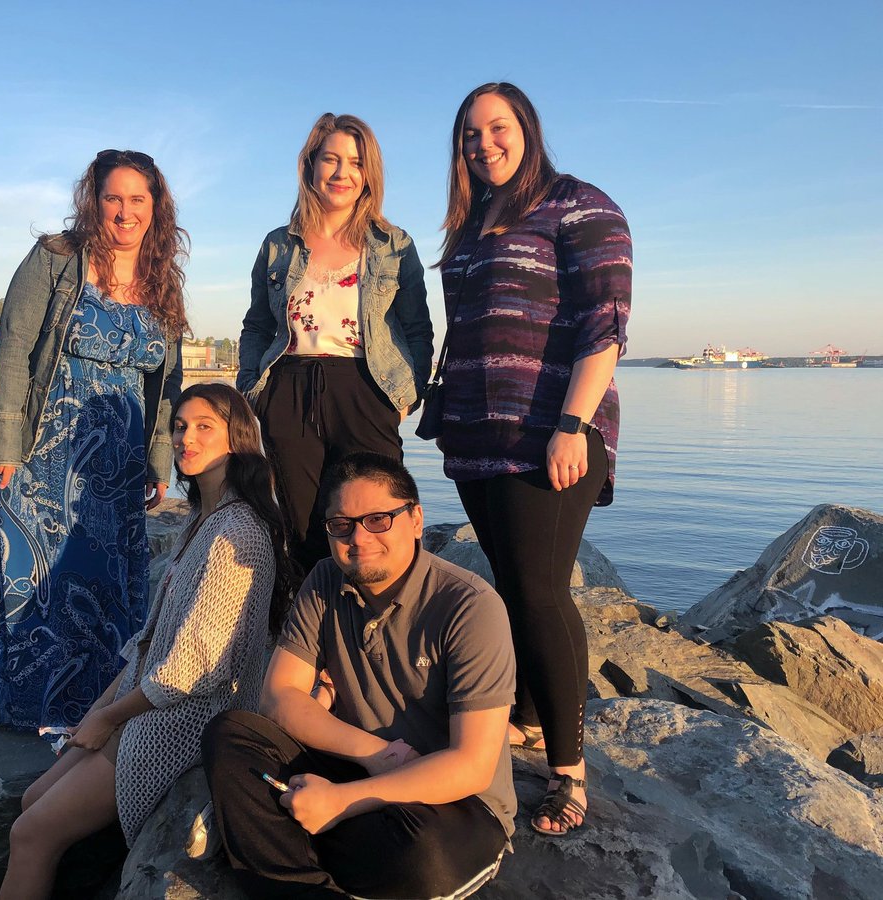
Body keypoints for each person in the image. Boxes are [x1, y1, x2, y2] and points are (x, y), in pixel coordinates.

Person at [0, 382, 297, 899]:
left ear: (237, 438)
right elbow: (149, 641)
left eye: (205, 427)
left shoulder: (236, 533)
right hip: (143, 704)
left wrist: (110, 718)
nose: (185, 438)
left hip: (181, 721)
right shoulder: (202, 520)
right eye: (180, 427)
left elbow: (193, 669)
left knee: (30, 833)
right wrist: (99, 707)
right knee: (31, 801)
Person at [430, 82, 632, 836]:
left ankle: (570, 773)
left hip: (550, 430)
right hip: (478, 436)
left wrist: (573, 424)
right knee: (516, 583)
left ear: (528, 129)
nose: (484, 144)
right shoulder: (472, 223)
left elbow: (605, 325)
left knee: (542, 592)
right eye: (470, 135)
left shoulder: (579, 204)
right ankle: (526, 712)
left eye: (498, 127)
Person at [202, 452, 516, 900]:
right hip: (354, 766)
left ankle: (270, 840)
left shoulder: (469, 605)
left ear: (416, 519)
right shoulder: (326, 580)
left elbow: (471, 764)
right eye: (341, 525)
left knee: (424, 858)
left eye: (378, 519)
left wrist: (341, 801)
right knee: (232, 734)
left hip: (447, 803)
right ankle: (299, 865)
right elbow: (279, 697)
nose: (359, 537)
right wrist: (374, 754)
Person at [0, 149, 187, 731]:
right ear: (93, 200)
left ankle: (98, 714)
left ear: (155, 207)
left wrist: (159, 459)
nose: (125, 212)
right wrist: (4, 443)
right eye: (113, 197)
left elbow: (167, 385)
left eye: (138, 200)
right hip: (46, 447)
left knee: (108, 583)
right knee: (40, 580)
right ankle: (30, 711)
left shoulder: (161, 278)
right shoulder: (55, 259)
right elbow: (15, 347)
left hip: (118, 462)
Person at [237, 113, 433, 572]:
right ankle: (317, 633)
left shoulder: (394, 245)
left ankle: (382, 631)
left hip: (365, 387)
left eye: (356, 162)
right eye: (331, 159)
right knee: (304, 525)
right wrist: (254, 390)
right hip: (288, 387)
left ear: (369, 174)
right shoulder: (278, 245)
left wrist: (406, 397)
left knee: (377, 516)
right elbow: (257, 326)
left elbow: (418, 328)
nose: (343, 173)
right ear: (310, 166)